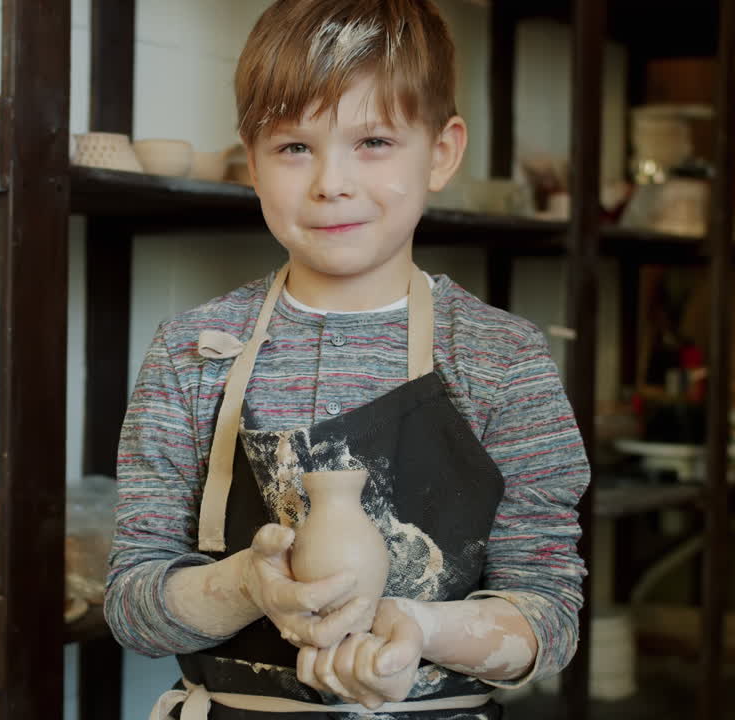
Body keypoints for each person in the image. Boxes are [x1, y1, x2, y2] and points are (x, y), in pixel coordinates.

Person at [105, 1, 590, 717]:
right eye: (293, 147)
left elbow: (548, 616)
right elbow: (130, 605)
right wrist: (247, 584)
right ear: (251, 160)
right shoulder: (194, 352)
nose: (331, 182)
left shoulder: (502, 359)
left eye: (374, 141)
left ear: (443, 152)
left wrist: (420, 630)